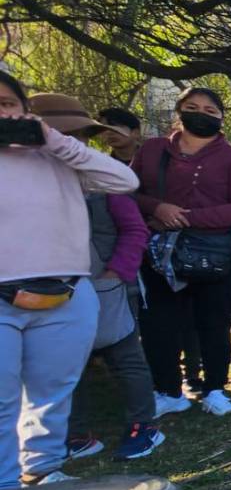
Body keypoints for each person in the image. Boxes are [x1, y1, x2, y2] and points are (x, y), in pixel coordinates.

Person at [0, 72, 139, 488]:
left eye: (6, 104)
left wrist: (52, 140)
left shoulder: (60, 156)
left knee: (53, 393)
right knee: (3, 400)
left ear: (25, 109)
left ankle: (43, 469)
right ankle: (5, 487)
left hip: (65, 292)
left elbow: (125, 181)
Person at [30, 93, 164, 461]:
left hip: (108, 284)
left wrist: (115, 272)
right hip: (50, 288)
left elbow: (134, 229)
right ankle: (76, 434)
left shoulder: (100, 176)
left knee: (126, 356)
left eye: (76, 135)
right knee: (63, 365)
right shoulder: (25, 179)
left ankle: (144, 426)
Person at [133, 87, 231, 417]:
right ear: (179, 112)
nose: (201, 114)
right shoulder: (153, 150)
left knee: (213, 322)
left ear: (221, 117)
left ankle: (215, 389)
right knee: (159, 324)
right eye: (192, 107)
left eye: (210, 110)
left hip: (217, 254)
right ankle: (168, 390)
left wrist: (187, 218)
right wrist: (157, 208)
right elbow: (129, 192)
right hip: (161, 252)